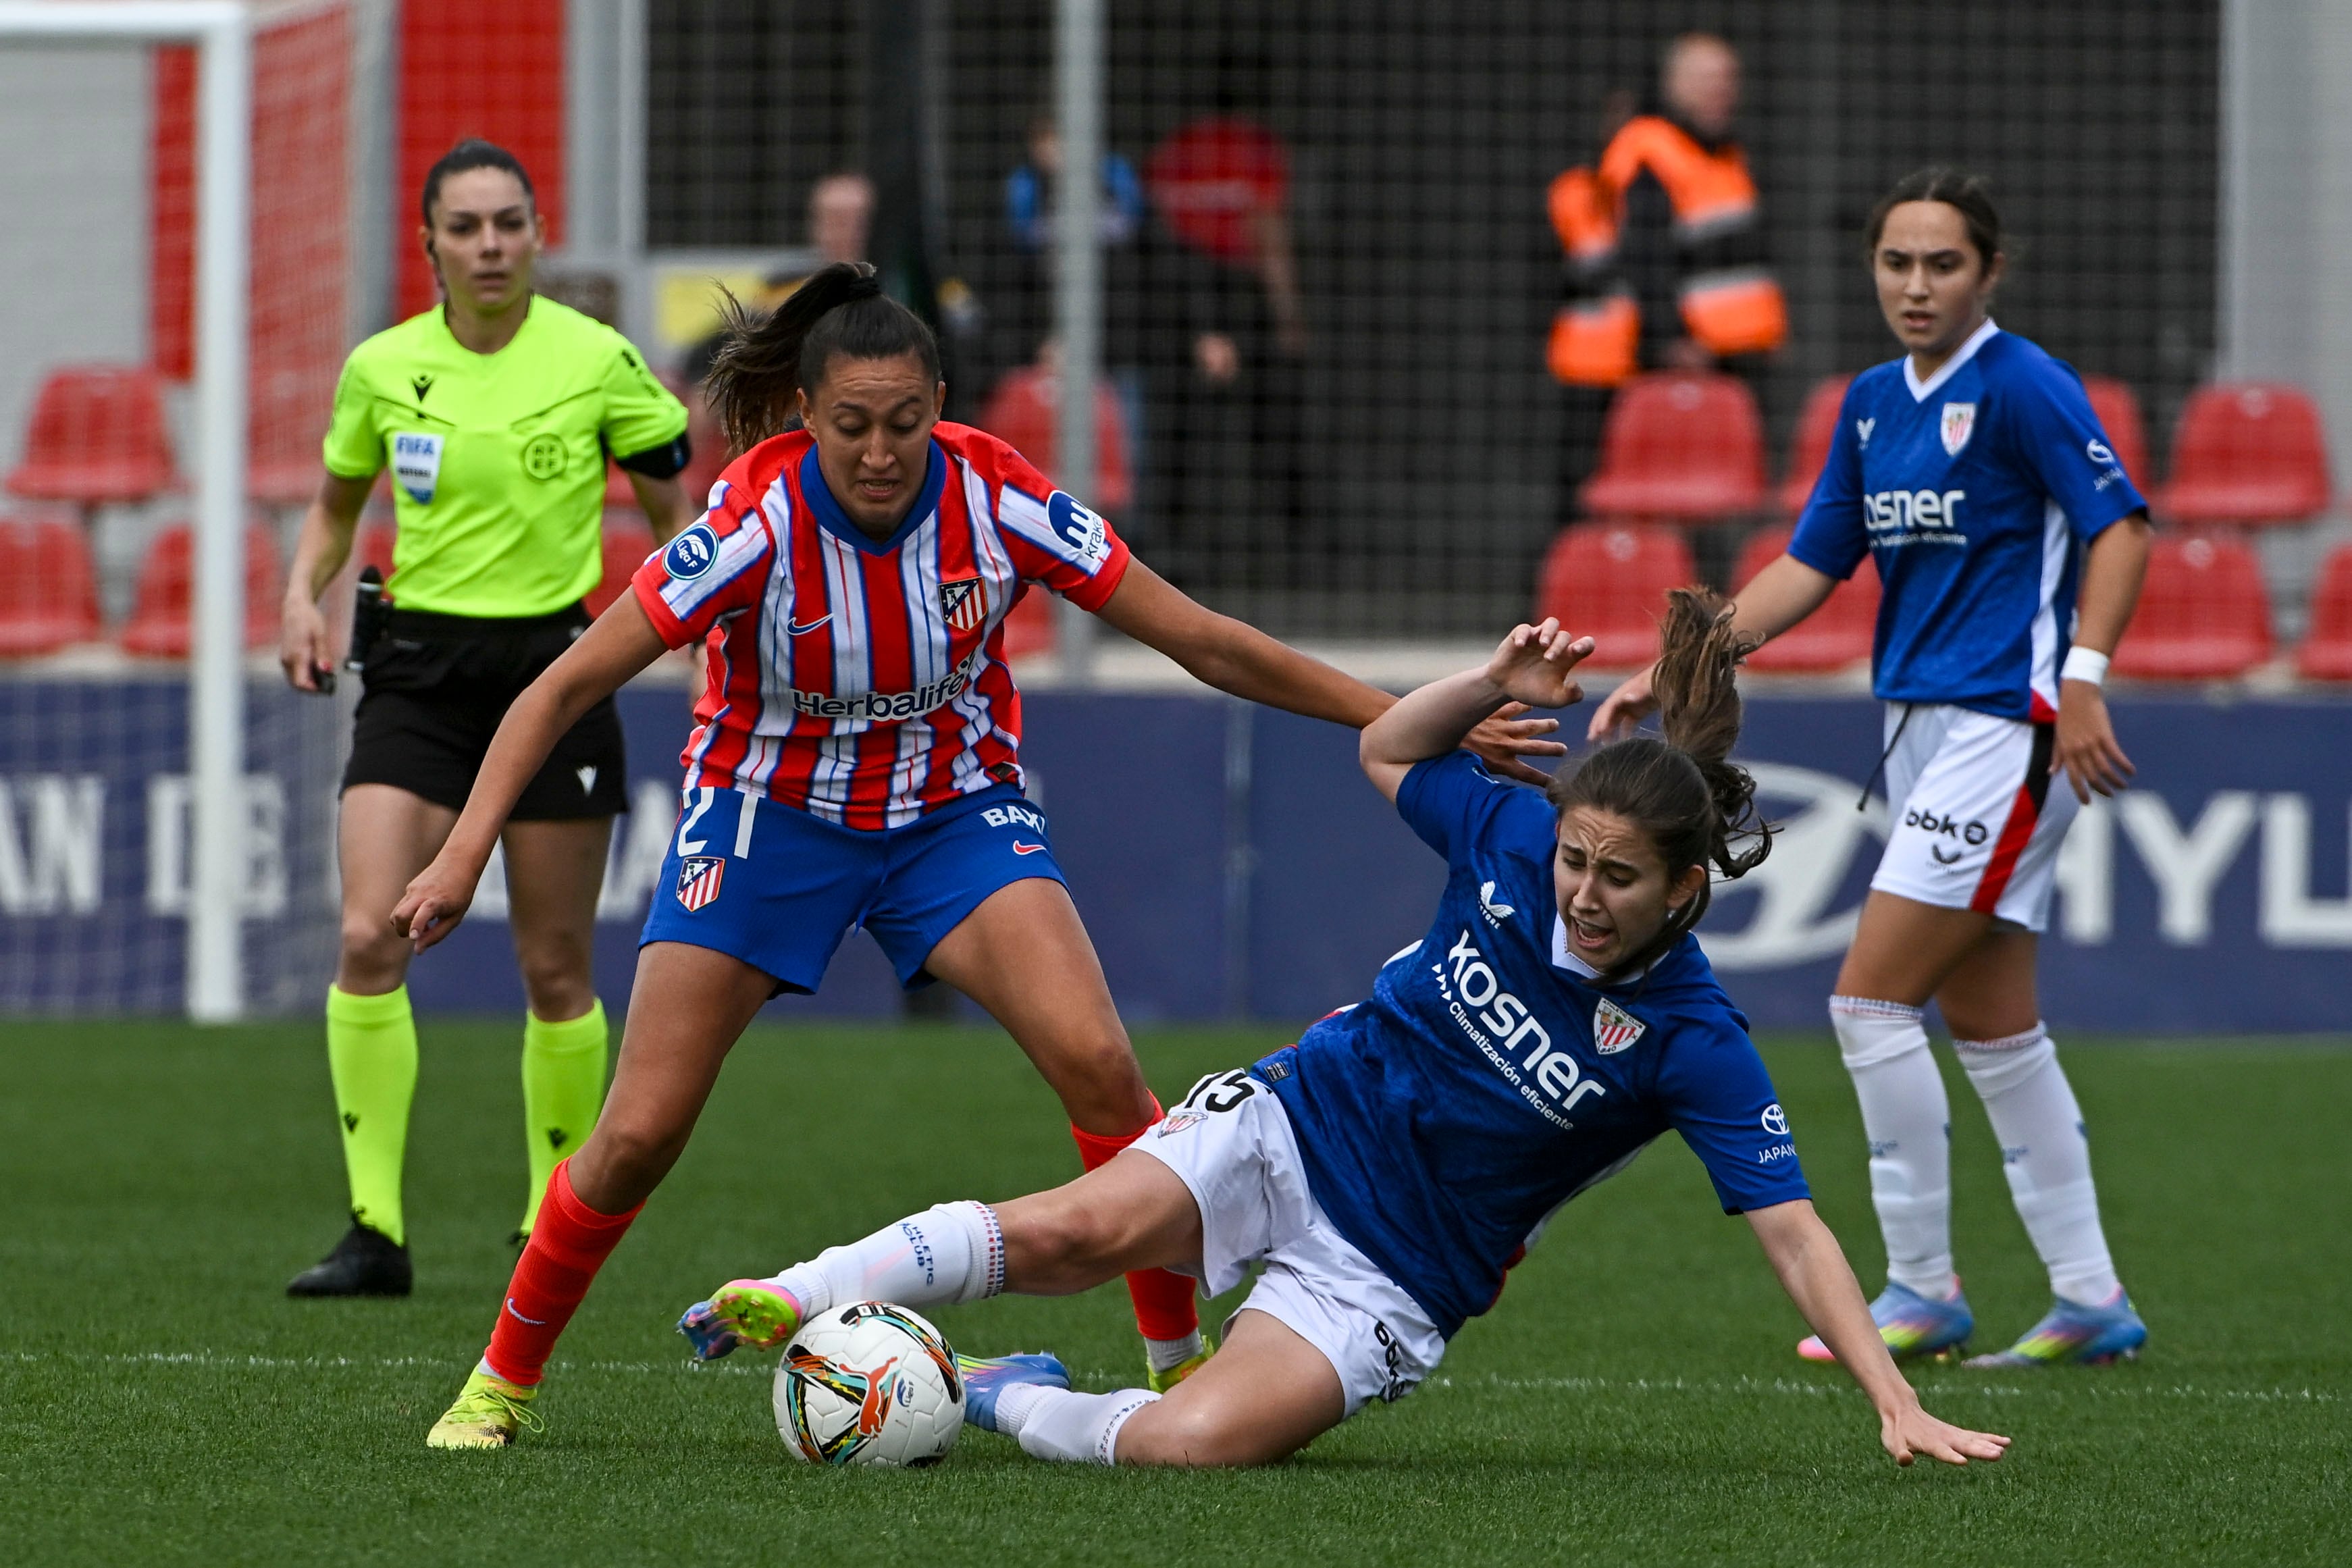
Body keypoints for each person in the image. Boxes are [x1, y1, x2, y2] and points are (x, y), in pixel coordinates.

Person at [392, 263, 1561, 1447]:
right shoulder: (751, 521)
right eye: (851, 426)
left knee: (1102, 1067)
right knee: (637, 1131)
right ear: (806, 415)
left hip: (950, 814)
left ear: (940, 402)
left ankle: (1174, 1361)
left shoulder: (997, 495)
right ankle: (500, 1380)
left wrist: (1412, 711)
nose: (882, 451)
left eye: (906, 422)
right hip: (765, 819)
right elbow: (561, 687)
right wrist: (457, 854)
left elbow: (1207, 642)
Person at [673, 594, 2010, 1473]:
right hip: (1289, 1127)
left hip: (1392, 1280)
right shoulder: (1507, 828)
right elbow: (1386, 748)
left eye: (1619, 878)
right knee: (1075, 1233)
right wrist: (1484, 681)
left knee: (1190, 1447)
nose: (1584, 895)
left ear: (1682, 889)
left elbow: (1790, 1226)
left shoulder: (1690, 1038)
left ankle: (992, 1390)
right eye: (1576, 864)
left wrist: (1893, 1400)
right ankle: (795, 1293)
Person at [1590, 169, 2153, 1369]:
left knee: (1865, 999)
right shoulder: (1867, 403)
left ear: (1988, 272)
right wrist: (1683, 656)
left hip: (2010, 727)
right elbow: (1813, 560)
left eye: (1941, 264)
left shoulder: (2022, 385)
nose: (1914, 285)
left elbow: (2120, 524)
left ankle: (1917, 1287)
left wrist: (2088, 674)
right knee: (1991, 1022)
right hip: (1923, 733)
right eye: (1894, 263)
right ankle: (2089, 1298)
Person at [277, 139, 694, 1297]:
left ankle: (542, 1232)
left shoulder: (599, 360)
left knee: (554, 963)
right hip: (414, 677)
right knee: (369, 933)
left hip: (553, 677)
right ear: (430, 245)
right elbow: (330, 510)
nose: (491, 245)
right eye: (465, 227)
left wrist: (711, 646)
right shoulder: (382, 367)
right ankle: (374, 1229)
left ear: (537, 233)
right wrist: (298, 596)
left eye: (508, 223)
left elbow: (682, 521)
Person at [1547, 34, 1786, 523]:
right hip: (1680, 358)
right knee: (1639, 500)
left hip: (1731, 358)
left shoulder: (1722, 154)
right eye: (1705, 79)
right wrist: (1671, 339)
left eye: (1727, 79)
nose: (1720, 91)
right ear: (1673, 85)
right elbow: (1645, 256)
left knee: (1719, 504)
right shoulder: (1654, 151)